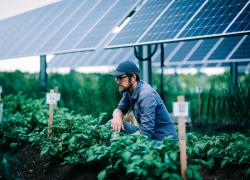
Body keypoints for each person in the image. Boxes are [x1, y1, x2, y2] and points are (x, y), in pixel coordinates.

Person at [109, 60, 177, 141]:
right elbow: (120, 109)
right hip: (149, 136)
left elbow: (146, 133)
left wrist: (123, 141)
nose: (117, 81)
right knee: (111, 123)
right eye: (116, 77)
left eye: (120, 77)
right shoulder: (128, 90)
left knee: (127, 146)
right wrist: (116, 116)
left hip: (163, 141)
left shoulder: (146, 95)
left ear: (133, 77)